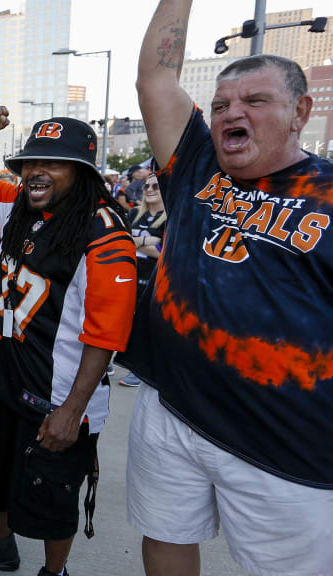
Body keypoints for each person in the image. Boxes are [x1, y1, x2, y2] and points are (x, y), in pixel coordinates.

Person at [123, 2, 333, 574]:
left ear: (300, 112)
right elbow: (156, 78)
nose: (229, 114)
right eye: (220, 106)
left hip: (286, 448)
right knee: (164, 536)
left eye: (254, 101)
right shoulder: (196, 166)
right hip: (173, 410)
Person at [0, 108, 137, 576]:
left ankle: (54, 572)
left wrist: (73, 410)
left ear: (82, 172)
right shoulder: (22, 206)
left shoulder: (104, 233)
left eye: (52, 162)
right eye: (30, 161)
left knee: (53, 494)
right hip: (11, 376)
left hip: (60, 392)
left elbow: (106, 335)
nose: (35, 171)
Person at [117, 173, 165, 389]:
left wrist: (137, 241)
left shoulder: (171, 216)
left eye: (155, 185)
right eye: (146, 186)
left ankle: (138, 369)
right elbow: (122, 240)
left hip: (153, 276)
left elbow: (162, 252)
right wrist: (149, 240)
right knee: (121, 318)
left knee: (144, 322)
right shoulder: (135, 212)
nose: (150, 189)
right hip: (128, 272)